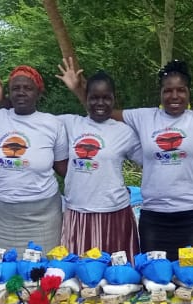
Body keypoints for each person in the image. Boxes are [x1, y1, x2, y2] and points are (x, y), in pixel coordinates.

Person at [63, 60, 193, 259]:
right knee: (156, 279)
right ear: (160, 93)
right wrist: (78, 90)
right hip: (155, 218)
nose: (174, 96)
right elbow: (103, 110)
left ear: (188, 92)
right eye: (168, 90)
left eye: (181, 90)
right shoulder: (143, 117)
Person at [0, 62, 68, 252]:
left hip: (43, 214)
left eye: (28, 88)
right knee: (3, 273)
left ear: (38, 92)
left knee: (41, 274)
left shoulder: (53, 124)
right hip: (2, 215)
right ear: (8, 93)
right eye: (15, 88)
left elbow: (63, 168)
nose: (21, 92)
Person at [49, 60, 142, 255]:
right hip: (78, 213)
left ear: (114, 99)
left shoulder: (124, 132)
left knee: (117, 278)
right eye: (94, 97)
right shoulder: (70, 123)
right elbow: (34, 123)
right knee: (80, 277)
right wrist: (3, 101)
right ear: (86, 98)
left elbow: (150, 162)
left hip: (115, 213)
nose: (100, 103)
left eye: (106, 97)